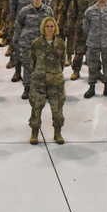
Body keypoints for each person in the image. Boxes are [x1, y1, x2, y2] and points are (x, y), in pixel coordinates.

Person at [27, 17, 67, 145]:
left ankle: (57, 132)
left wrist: (55, 73)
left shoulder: (60, 44)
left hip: (56, 81)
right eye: (47, 26)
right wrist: (39, 72)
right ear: (43, 28)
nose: (49, 28)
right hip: (39, 81)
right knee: (36, 107)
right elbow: (32, 60)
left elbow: (62, 61)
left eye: (52, 26)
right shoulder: (37, 43)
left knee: (57, 108)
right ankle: (34, 132)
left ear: (55, 28)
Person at [13, 0, 53, 100]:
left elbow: (52, 25)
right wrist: (16, 40)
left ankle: (44, 89)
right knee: (28, 66)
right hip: (28, 43)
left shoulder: (48, 10)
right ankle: (27, 88)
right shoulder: (25, 11)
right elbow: (18, 25)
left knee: (44, 67)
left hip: (43, 43)